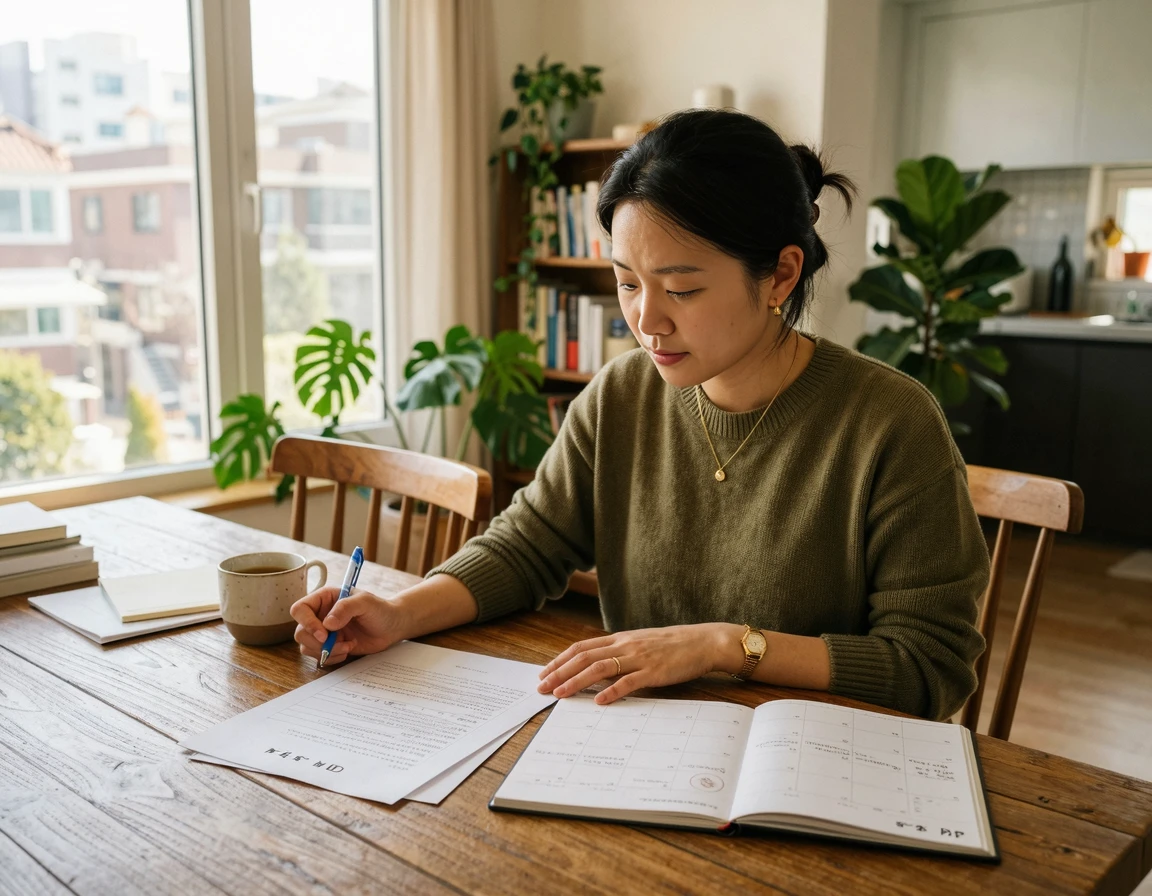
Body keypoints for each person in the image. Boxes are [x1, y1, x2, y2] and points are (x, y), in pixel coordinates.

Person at [291, 108, 989, 722]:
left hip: (810, 770)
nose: (645, 321)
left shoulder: (892, 424)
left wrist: (725, 646)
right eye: (626, 282)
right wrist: (399, 612)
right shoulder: (623, 395)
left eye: (681, 288)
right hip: (636, 746)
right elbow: (527, 547)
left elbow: (929, 665)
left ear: (780, 275)